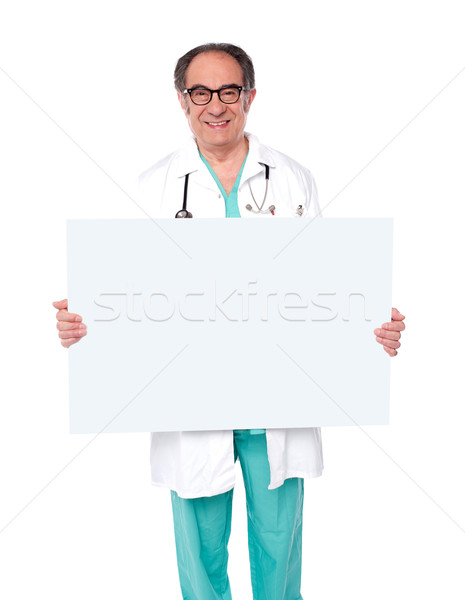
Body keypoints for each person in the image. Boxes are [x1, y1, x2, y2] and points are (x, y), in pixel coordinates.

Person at [53, 43, 406, 600]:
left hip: (278, 402)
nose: (215, 105)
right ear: (181, 99)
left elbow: (328, 285)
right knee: (199, 555)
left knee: (279, 550)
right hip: (189, 401)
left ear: (250, 96)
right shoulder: (152, 188)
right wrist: (84, 326)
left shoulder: (292, 178)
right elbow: (126, 297)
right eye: (200, 92)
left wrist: (371, 327)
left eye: (228, 90)